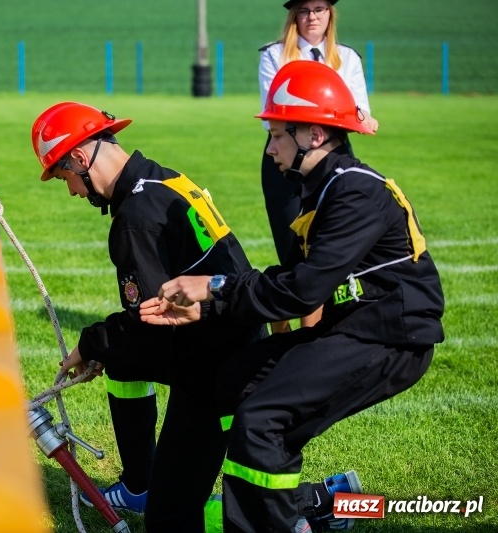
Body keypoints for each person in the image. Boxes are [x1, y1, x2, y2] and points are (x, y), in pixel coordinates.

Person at [139, 61, 444, 532]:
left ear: (315, 135)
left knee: (260, 422)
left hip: (389, 338)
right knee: (233, 382)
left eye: (277, 134)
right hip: (352, 327)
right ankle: (322, 500)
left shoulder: (355, 191)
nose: (270, 147)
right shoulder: (324, 188)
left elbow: (303, 291)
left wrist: (215, 286)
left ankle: (284, 517)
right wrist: (208, 304)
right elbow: (294, 277)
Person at [32, 101, 358, 532]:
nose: (72, 190)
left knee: (172, 517)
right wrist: (103, 347)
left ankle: (325, 507)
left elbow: (152, 325)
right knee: (125, 367)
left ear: (79, 157)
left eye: (65, 178)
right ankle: (140, 483)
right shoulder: (164, 178)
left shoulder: (135, 221)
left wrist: (92, 344)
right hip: (230, 344)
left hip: (212, 370)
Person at [259, 1, 378, 332]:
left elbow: (361, 111)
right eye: (305, 10)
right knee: (290, 249)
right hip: (285, 154)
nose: (312, 17)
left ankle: (315, 335)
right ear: (294, 16)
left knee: (326, 246)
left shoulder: (348, 57)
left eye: (319, 9)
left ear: (330, 15)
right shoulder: (273, 55)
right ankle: (281, 335)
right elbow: (273, 114)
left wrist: (356, 116)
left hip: (333, 157)